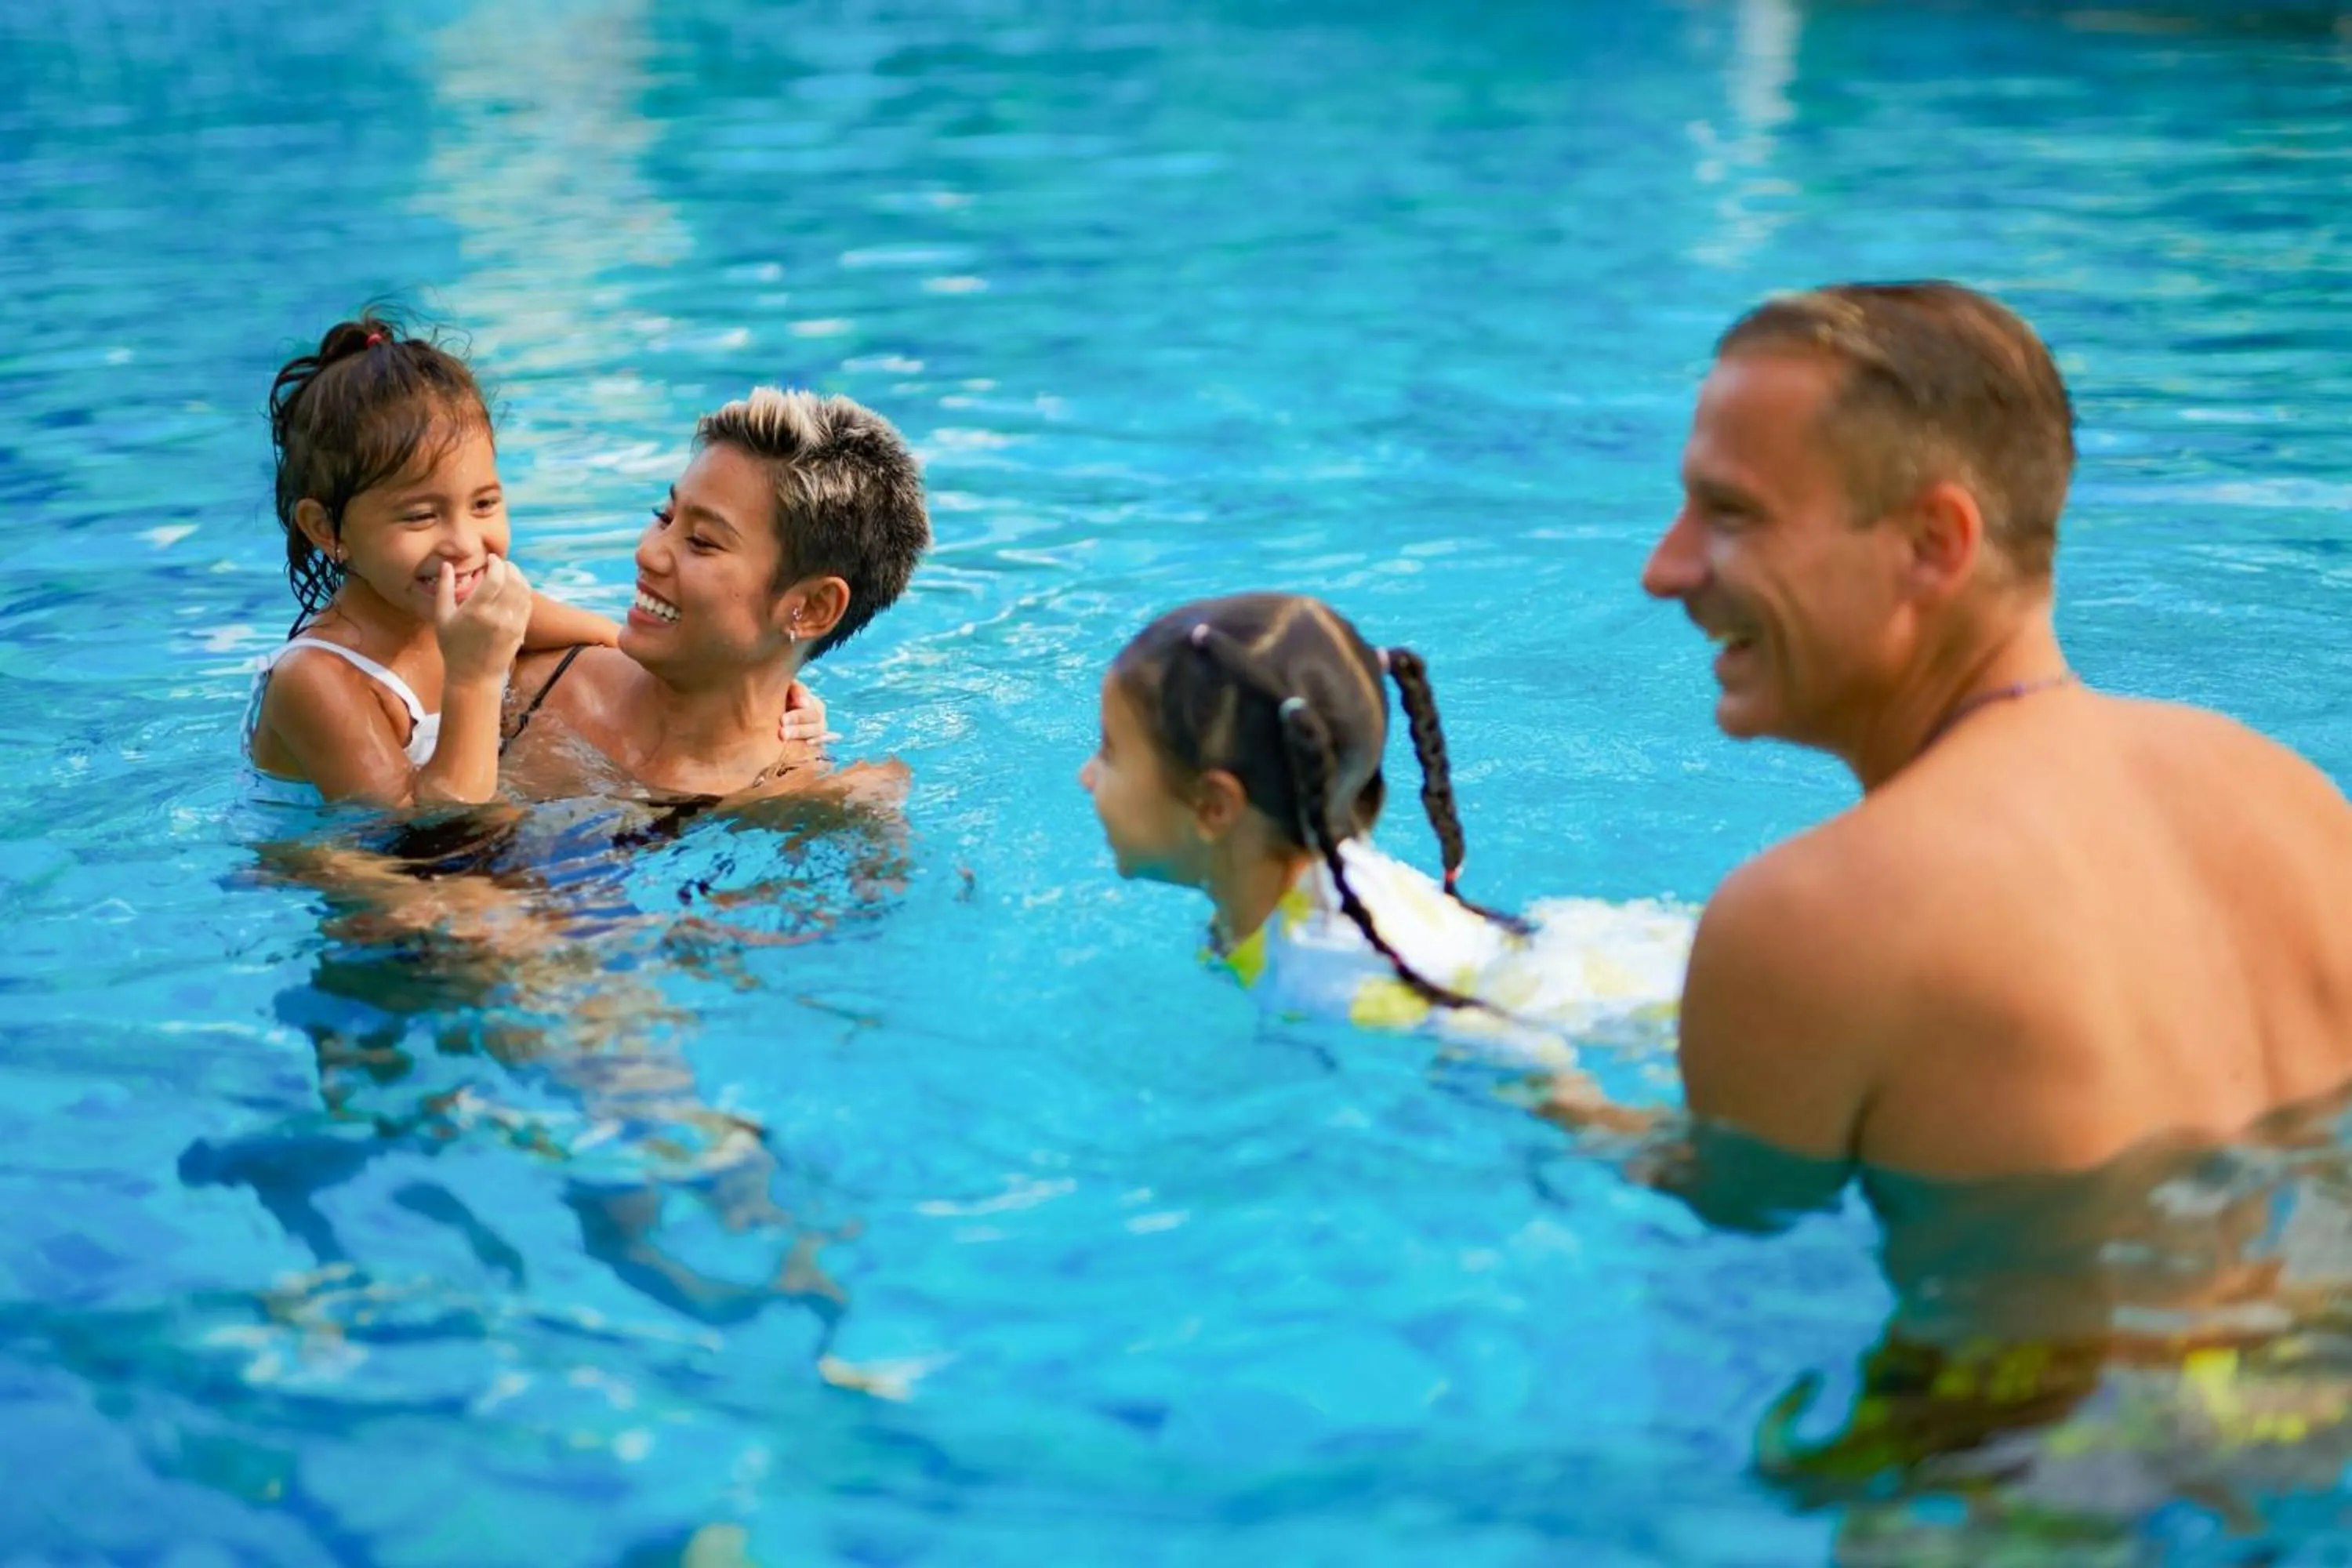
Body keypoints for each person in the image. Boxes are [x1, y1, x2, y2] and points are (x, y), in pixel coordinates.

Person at [1556, 280, 2352, 1510]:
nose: (1666, 569)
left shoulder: (1814, 915)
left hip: (2040, 1477)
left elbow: (1743, 1217)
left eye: (1731, 514)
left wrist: (1564, 1106)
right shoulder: (2290, 795)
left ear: (1935, 542)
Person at [1079, 592, 1690, 1056]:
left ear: (1215, 807)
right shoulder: (1321, 880)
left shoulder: (1325, 973)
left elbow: (1521, 1051)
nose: (1087, 776)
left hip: (1650, 1010)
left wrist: (1624, 1140)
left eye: (1109, 753)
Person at [246, 313, 619, 807]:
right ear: (326, 529)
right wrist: (473, 677)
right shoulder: (316, 680)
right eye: (422, 516)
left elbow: (620, 645)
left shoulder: (482, 605)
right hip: (343, 851)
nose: (464, 544)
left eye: (484, 504)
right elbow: (427, 829)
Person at [500, 386, 930, 809]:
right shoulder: (517, 673)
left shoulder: (804, 809)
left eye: (702, 541)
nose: (648, 553)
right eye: (664, 517)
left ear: (814, 608)